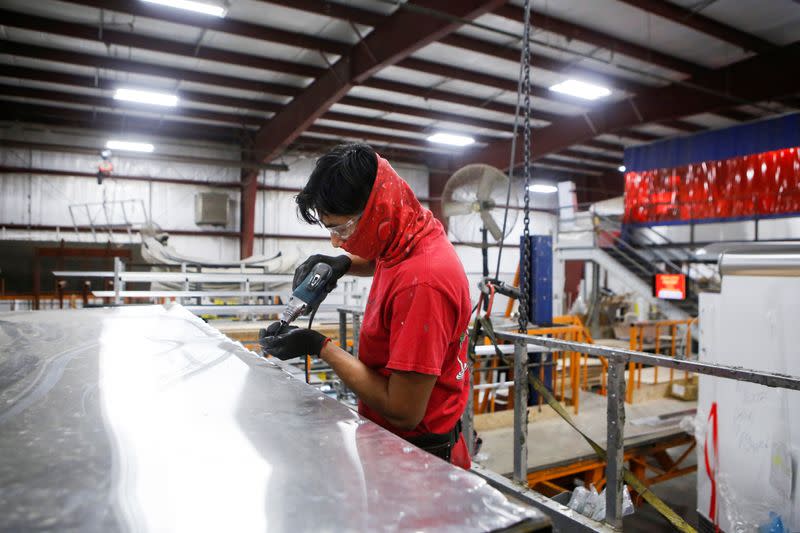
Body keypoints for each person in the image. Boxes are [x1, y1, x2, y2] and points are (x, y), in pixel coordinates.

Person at [259, 143, 473, 468]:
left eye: (341, 229)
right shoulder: (411, 230)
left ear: (378, 212)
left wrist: (319, 346)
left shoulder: (423, 284)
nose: (335, 241)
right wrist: (341, 264)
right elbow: (384, 258)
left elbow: (403, 411)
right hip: (397, 446)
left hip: (422, 463)